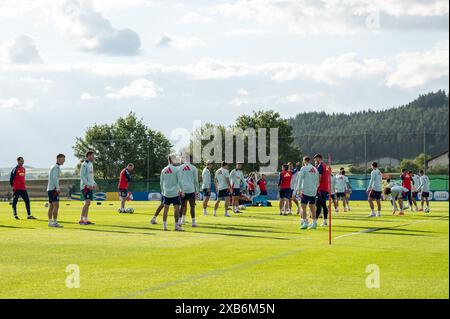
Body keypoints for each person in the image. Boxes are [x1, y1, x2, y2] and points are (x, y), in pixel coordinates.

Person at [160, 154, 183, 231]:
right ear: (172, 160)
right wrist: (181, 190)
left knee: (165, 209)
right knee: (176, 209)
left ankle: (164, 226)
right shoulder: (176, 169)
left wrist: (163, 192)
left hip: (166, 193)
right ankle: (176, 226)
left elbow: (161, 183)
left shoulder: (163, 170)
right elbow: (179, 181)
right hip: (174, 193)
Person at [295, 156, 319, 230]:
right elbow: (317, 181)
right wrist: (315, 189)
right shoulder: (315, 169)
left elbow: (300, 179)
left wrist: (298, 189)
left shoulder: (303, 168)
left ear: (304, 161)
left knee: (303, 207)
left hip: (305, 190)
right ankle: (314, 223)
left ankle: (305, 222)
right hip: (313, 191)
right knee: (312, 207)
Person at [179, 155, 200, 227]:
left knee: (182, 206)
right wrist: (197, 191)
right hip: (191, 189)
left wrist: (179, 189)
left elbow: (178, 179)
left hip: (183, 189)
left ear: (185, 159)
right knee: (192, 206)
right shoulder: (194, 168)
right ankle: (193, 223)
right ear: (191, 159)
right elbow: (196, 181)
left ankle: (179, 221)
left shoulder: (180, 167)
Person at [47, 154, 65, 227]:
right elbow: (55, 178)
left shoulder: (53, 166)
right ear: (58, 159)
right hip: (53, 189)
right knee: (56, 206)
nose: (64, 161)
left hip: (50, 189)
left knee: (51, 206)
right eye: (63, 159)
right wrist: (57, 188)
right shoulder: (56, 167)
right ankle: (54, 222)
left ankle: (50, 222)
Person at [79, 150, 97, 225]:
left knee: (88, 203)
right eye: (92, 156)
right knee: (87, 203)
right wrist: (87, 184)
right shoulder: (84, 164)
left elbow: (91, 176)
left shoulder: (91, 164)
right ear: (88, 156)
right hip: (85, 186)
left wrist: (94, 183)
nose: (93, 157)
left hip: (90, 186)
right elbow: (82, 176)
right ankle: (81, 220)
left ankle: (86, 219)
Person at [314, 154, 330, 227]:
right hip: (325, 187)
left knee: (319, 205)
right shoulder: (325, 165)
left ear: (318, 158)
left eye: (315, 159)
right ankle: (324, 221)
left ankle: (315, 222)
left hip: (321, 188)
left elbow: (319, 176)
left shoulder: (320, 165)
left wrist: (317, 185)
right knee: (323, 204)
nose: (315, 161)